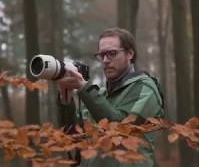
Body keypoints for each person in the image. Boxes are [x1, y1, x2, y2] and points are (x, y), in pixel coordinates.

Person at [56, 27, 164, 167]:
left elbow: (119, 129)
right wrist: (66, 98)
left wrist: (83, 87)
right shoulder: (99, 95)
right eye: (102, 55)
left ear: (130, 53)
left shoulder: (145, 88)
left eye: (112, 53)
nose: (105, 60)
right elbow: (73, 136)